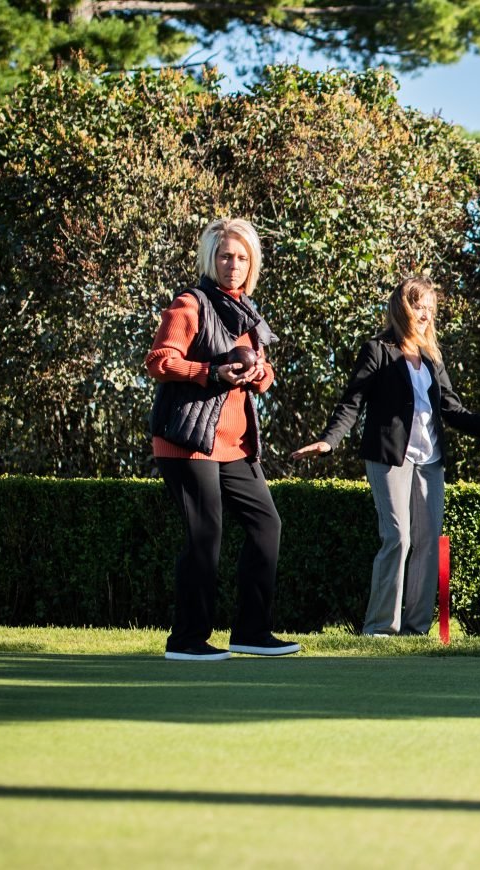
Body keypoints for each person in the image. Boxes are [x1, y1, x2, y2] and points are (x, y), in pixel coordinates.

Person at [293, 278, 480, 637]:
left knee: (427, 543)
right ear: (402, 308)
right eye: (418, 306)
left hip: (431, 461)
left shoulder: (431, 358)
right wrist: (329, 441)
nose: (424, 314)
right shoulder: (377, 350)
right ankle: (379, 628)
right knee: (397, 537)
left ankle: (415, 629)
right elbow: (353, 402)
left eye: (429, 309)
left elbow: (454, 411)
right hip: (389, 457)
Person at [147, 218, 301, 661]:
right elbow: (159, 361)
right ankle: (186, 640)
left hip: (234, 444)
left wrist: (258, 374)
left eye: (241, 257)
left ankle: (251, 632)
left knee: (266, 524)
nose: (233, 264)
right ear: (210, 260)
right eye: (224, 256)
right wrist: (210, 372)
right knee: (205, 533)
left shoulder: (247, 312)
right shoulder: (189, 304)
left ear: (252, 263)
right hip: (187, 440)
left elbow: (265, 372)